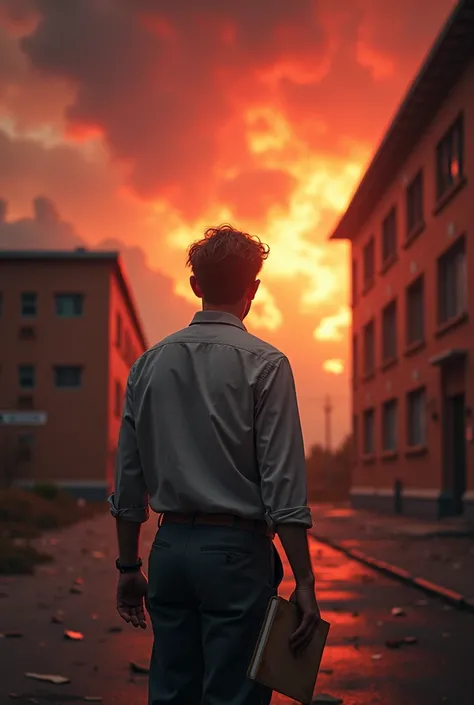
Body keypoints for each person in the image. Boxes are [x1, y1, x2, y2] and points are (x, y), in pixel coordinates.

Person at [109, 224, 320, 705]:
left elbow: (128, 479)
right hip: (236, 554)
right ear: (254, 289)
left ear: (196, 285)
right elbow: (283, 485)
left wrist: (128, 566)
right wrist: (304, 581)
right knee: (232, 694)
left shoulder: (147, 365)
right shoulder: (266, 364)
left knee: (171, 689)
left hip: (169, 550)